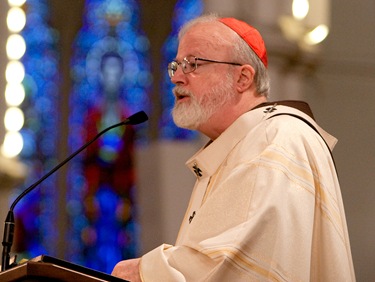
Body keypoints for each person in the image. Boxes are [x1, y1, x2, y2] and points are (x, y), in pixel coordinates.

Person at [112, 14, 356, 281]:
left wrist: (145, 272)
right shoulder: (237, 146)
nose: (177, 78)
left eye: (193, 64)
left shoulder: (277, 138)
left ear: (242, 78)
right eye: (176, 66)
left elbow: (245, 265)